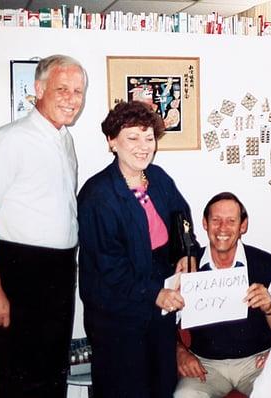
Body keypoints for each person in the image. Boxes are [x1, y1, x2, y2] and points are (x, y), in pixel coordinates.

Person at [0, 54, 86, 397]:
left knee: (50, 375)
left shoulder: (64, 140)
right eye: (62, 88)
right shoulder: (10, 139)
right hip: (22, 272)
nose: (72, 98)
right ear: (39, 88)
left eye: (78, 90)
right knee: (19, 378)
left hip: (59, 272)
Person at [77, 100, 198, 397]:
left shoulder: (158, 178)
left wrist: (187, 252)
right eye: (132, 137)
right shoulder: (98, 194)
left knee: (161, 385)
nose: (143, 147)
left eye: (149, 138)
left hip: (159, 303)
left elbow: (181, 219)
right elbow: (110, 267)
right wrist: (155, 294)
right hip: (118, 313)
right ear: (112, 141)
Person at [174, 192, 271, 397]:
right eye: (216, 220)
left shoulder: (268, 265)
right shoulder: (187, 266)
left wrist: (270, 308)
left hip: (257, 362)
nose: (222, 228)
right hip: (205, 365)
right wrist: (180, 352)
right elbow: (165, 324)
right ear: (204, 223)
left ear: (243, 225)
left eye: (231, 221)